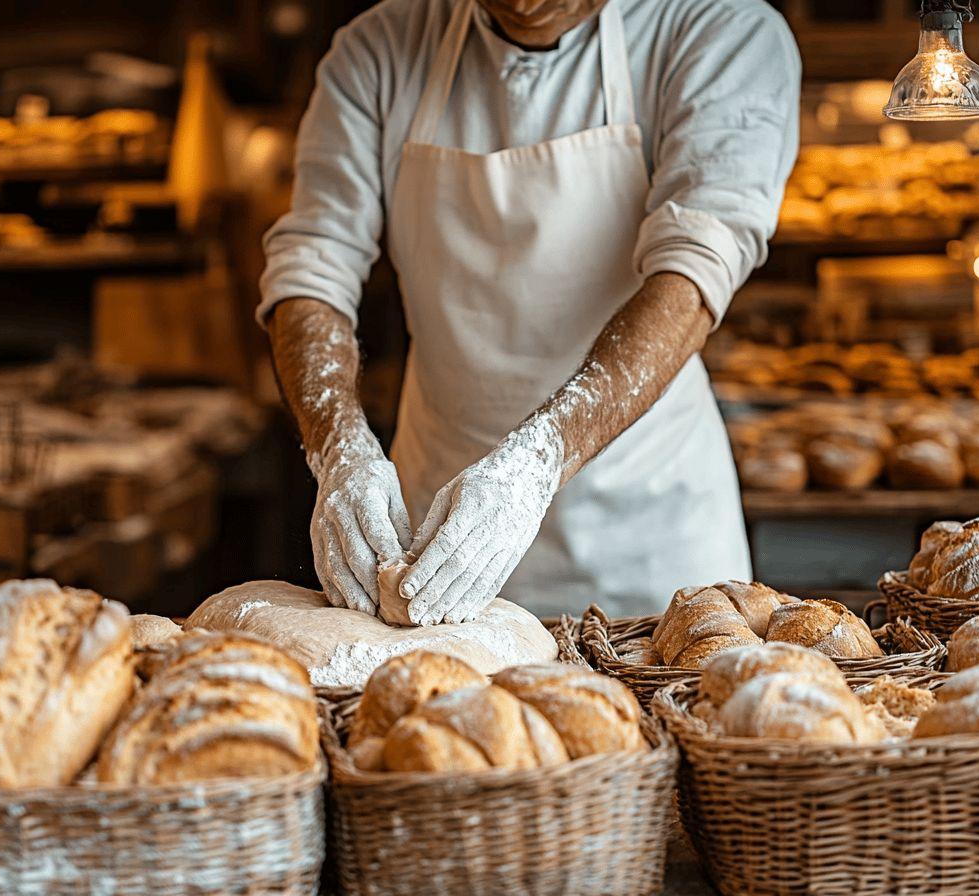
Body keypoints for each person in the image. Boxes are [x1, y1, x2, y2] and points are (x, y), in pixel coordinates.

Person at [260, 0, 800, 622]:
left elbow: (692, 277)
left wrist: (537, 462)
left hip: (650, 539)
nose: (522, 4)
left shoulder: (719, 32)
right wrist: (339, 449)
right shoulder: (380, 49)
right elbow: (313, 263)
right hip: (434, 541)